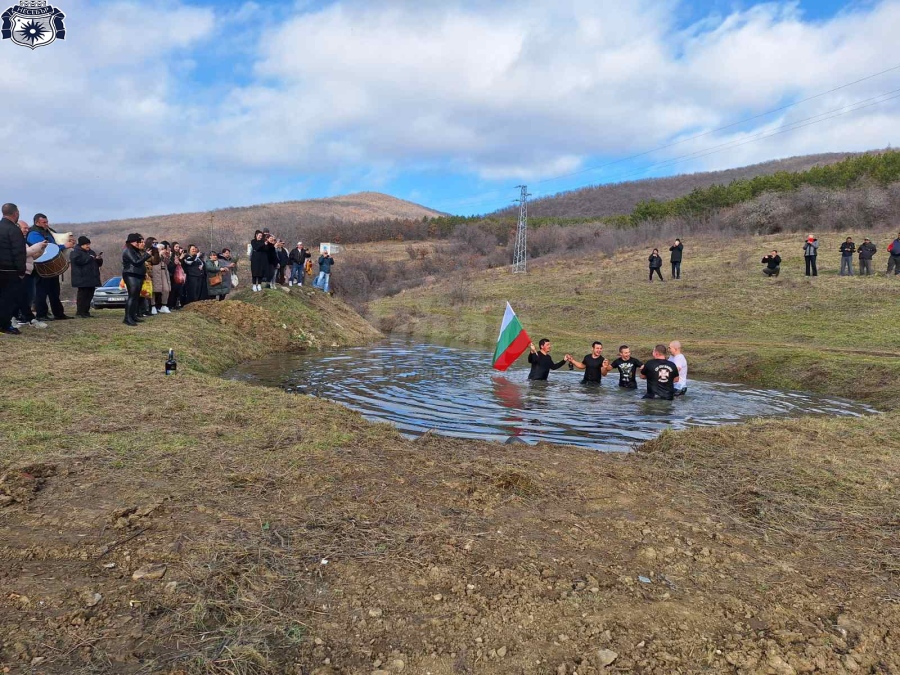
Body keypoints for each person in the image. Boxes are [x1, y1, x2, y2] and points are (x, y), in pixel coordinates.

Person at [27, 212, 74, 321]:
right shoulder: (34, 234)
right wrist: (63, 246)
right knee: (41, 292)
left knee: (54, 291)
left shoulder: (48, 231)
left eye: (47, 221)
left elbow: (54, 243)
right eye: (44, 222)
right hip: (42, 267)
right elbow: (44, 248)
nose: (46, 224)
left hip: (52, 266)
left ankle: (59, 313)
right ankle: (41, 314)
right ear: (37, 222)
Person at [13, 219, 47, 329]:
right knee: (21, 297)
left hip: (27, 272)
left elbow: (30, 256)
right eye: (25, 228)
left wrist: (41, 251)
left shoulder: (23, 241)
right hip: (18, 272)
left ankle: (25, 318)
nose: (27, 230)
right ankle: (22, 318)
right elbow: (22, 253)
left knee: (26, 297)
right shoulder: (14, 240)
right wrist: (37, 246)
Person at [0, 203, 27, 335]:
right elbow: (19, 252)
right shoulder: (14, 230)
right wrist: (21, 271)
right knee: (7, 300)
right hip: (9, 270)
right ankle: (4, 325)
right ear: (15, 213)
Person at [69, 236, 103, 318]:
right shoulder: (75, 252)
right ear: (81, 245)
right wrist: (90, 258)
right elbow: (78, 261)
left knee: (89, 295)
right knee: (83, 295)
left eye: (88, 244)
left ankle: (86, 311)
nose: (88, 246)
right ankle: (80, 312)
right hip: (82, 278)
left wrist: (98, 259)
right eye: (86, 244)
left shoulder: (91, 252)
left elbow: (98, 264)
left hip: (92, 277)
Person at [121, 233, 151, 326]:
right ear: (132, 242)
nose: (139, 243)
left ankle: (133, 315)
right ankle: (127, 318)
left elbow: (140, 263)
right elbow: (136, 262)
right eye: (138, 241)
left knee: (136, 297)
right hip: (131, 275)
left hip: (137, 275)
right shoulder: (128, 250)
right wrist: (146, 255)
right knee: (132, 296)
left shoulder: (135, 250)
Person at [150, 241, 173, 314]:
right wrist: (159, 254)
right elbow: (153, 262)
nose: (163, 250)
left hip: (163, 271)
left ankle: (164, 305)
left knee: (166, 289)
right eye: (161, 248)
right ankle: (153, 306)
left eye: (163, 248)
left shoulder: (164, 255)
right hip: (155, 272)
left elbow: (168, 263)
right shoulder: (153, 255)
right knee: (154, 289)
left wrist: (167, 255)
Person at [168, 242, 186, 310]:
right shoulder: (171, 255)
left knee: (179, 290)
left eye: (178, 247)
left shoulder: (178, 255)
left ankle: (176, 304)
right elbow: (172, 266)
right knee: (173, 291)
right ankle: (170, 305)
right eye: (176, 247)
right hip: (173, 275)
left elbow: (181, 265)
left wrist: (181, 258)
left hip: (179, 275)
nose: (177, 248)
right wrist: (180, 259)